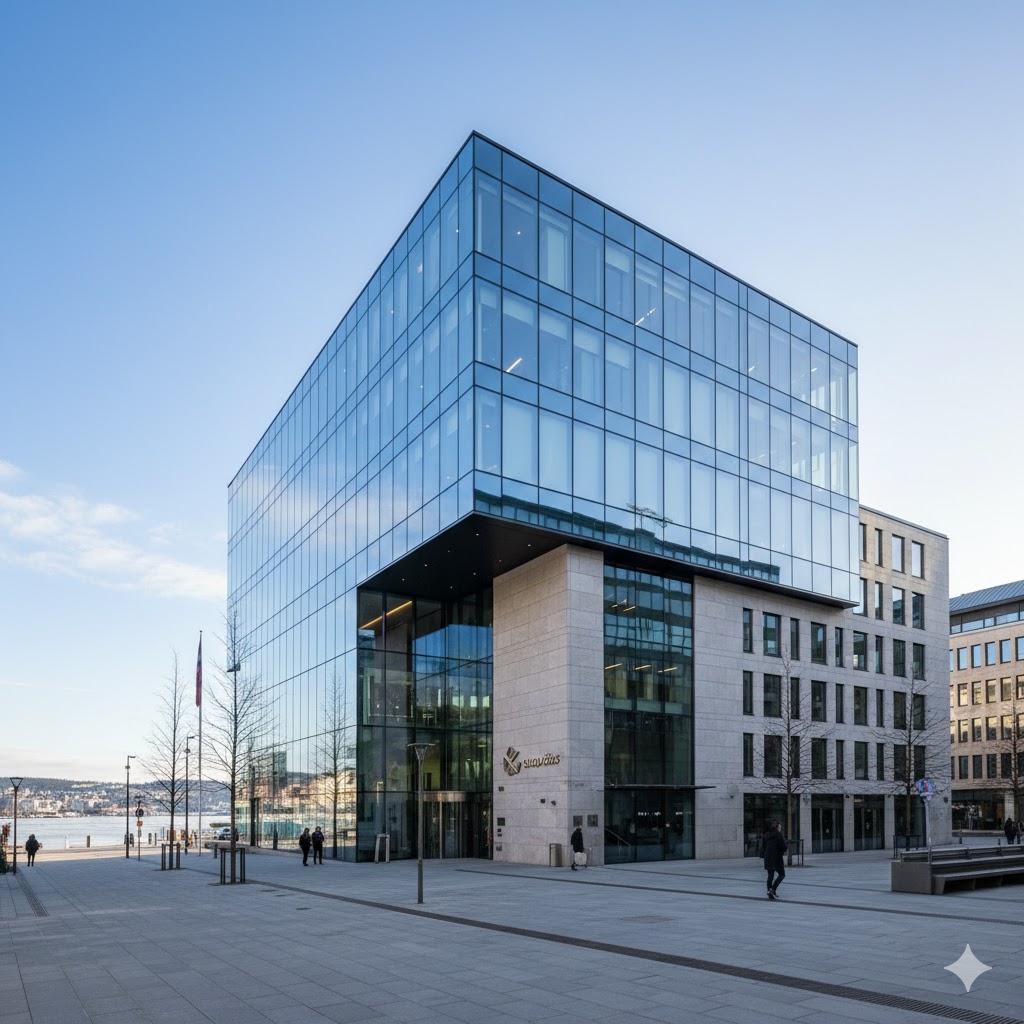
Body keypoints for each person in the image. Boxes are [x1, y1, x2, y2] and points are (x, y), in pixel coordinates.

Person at [761, 820, 787, 900]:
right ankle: (773, 889)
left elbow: (763, 847)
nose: (780, 829)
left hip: (768, 857)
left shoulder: (766, 835)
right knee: (782, 874)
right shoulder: (779, 835)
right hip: (777, 858)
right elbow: (784, 847)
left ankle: (769, 891)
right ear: (776, 828)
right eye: (779, 827)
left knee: (770, 875)